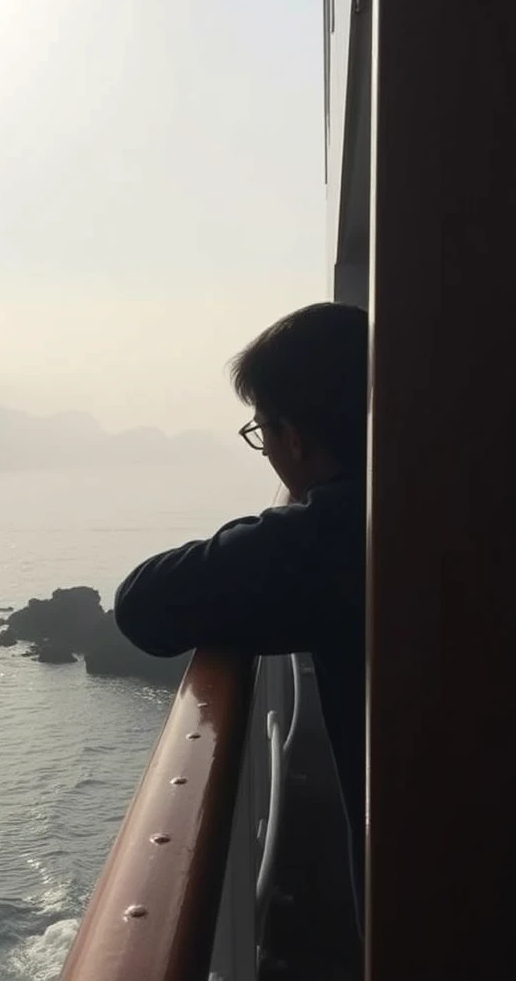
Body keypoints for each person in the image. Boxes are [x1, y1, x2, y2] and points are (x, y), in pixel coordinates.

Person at [113, 301, 368, 930]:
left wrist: (280, 525)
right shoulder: (457, 486)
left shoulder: (336, 533)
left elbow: (143, 605)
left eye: (262, 433)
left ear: (295, 437)